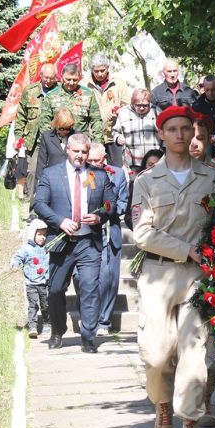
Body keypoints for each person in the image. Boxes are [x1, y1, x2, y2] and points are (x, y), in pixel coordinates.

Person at [131, 105, 215, 428]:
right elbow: (142, 233)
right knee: (155, 355)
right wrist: (187, 249)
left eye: (187, 129)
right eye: (173, 129)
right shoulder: (146, 182)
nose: (181, 135)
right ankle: (163, 407)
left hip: (199, 279)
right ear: (162, 135)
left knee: (195, 357)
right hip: (158, 274)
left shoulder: (213, 179)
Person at [33, 133, 116, 353]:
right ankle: (57, 331)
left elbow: (111, 204)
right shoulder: (51, 174)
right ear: (67, 150)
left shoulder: (98, 175)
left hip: (89, 243)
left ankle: (88, 337)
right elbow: (39, 204)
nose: (80, 156)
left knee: (90, 289)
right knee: (56, 289)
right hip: (63, 243)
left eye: (84, 152)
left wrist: (100, 217)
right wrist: (60, 221)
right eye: (76, 151)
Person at [188, 113, 215, 428]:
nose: (194, 142)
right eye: (190, 135)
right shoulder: (165, 176)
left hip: (211, 271)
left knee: (210, 342)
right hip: (175, 269)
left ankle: (206, 401)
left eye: (201, 136)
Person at [87, 142, 130, 337]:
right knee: (88, 277)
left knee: (110, 278)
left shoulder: (118, 174)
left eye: (97, 160)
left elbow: (122, 203)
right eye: (90, 160)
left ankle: (104, 320)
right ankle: (90, 317)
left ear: (104, 158)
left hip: (110, 228)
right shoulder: (84, 173)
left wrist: (107, 210)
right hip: (88, 229)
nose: (93, 164)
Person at [16, 63, 59, 205]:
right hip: (33, 141)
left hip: (54, 140)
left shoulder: (60, 92)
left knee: (53, 174)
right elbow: (21, 116)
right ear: (41, 75)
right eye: (46, 77)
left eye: (52, 78)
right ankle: (33, 208)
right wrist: (18, 138)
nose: (48, 81)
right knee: (33, 173)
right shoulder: (30, 91)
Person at [37, 63, 103, 141]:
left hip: (81, 142)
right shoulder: (51, 95)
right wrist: (50, 142)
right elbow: (44, 122)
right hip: (57, 142)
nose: (71, 83)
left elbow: (96, 120)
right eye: (68, 79)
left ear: (79, 78)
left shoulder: (88, 94)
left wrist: (98, 143)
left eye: (75, 80)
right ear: (61, 77)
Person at [86, 54, 131, 165]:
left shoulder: (118, 83)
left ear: (108, 68)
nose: (100, 74)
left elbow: (128, 106)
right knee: (94, 170)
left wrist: (119, 111)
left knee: (116, 170)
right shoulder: (84, 85)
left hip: (113, 135)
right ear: (92, 70)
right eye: (96, 71)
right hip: (93, 135)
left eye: (102, 70)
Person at [10, 218, 50, 338]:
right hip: (31, 283)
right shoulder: (27, 248)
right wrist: (15, 265)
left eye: (44, 235)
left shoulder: (47, 247)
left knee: (46, 304)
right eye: (39, 235)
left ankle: (47, 323)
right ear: (33, 234)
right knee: (33, 305)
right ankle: (32, 326)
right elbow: (18, 257)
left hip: (44, 282)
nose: (42, 237)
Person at [111, 88, 159, 170]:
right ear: (132, 103)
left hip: (155, 161)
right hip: (133, 162)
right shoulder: (123, 113)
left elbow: (166, 132)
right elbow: (115, 131)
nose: (141, 108)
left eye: (145, 105)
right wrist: (118, 138)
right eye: (138, 105)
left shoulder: (156, 111)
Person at [35, 109, 77, 178]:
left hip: (72, 178)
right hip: (53, 178)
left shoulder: (77, 136)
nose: (65, 131)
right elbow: (41, 164)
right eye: (62, 129)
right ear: (56, 125)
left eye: (68, 128)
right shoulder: (47, 137)